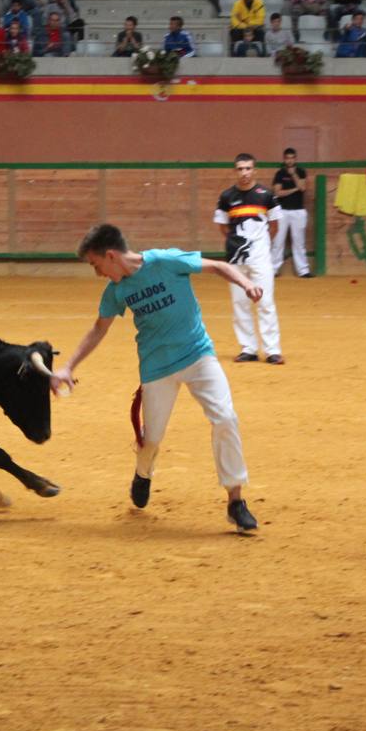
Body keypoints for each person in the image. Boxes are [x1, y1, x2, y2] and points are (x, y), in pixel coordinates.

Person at [51, 223, 262, 532]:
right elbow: (99, 328)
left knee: (226, 418)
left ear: (111, 256)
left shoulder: (165, 261)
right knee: (151, 439)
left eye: (96, 265)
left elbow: (217, 266)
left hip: (198, 355)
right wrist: (69, 366)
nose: (98, 273)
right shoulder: (116, 291)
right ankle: (143, 472)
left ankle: (235, 501)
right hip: (156, 369)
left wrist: (245, 283)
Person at [215, 154, 284, 365]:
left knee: (265, 302)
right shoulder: (226, 197)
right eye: (240, 169)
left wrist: (260, 245)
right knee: (240, 303)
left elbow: (274, 226)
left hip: (261, 258)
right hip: (236, 259)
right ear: (235, 171)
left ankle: (272, 350)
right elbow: (222, 226)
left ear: (254, 170)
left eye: (248, 168)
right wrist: (237, 244)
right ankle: (248, 348)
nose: (244, 172)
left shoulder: (267, 195)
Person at [271, 147, 311, 278]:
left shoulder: (300, 171)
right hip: (281, 211)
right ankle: (273, 270)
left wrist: (294, 175)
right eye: (287, 158)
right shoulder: (280, 173)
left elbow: (303, 187)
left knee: (299, 242)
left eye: (292, 158)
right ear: (284, 159)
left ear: (295, 159)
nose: (289, 160)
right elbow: (277, 193)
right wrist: (295, 189)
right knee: (278, 241)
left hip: (298, 211)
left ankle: (303, 271)